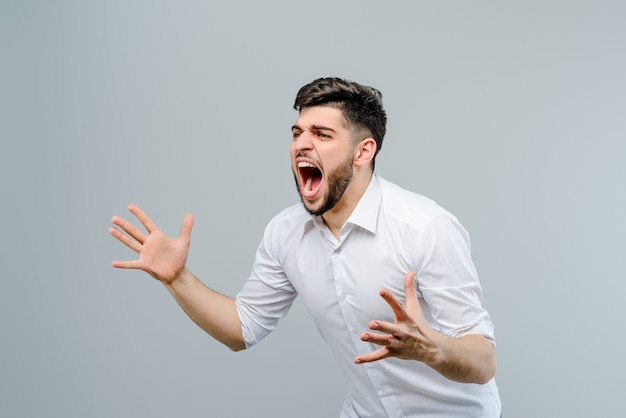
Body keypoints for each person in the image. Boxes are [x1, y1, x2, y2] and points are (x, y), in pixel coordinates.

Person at [110, 77, 502, 417]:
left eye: (322, 134)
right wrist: (177, 279)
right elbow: (241, 329)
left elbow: (483, 362)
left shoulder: (425, 228)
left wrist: (433, 349)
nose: (301, 144)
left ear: (363, 152)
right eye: (298, 132)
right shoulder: (285, 233)